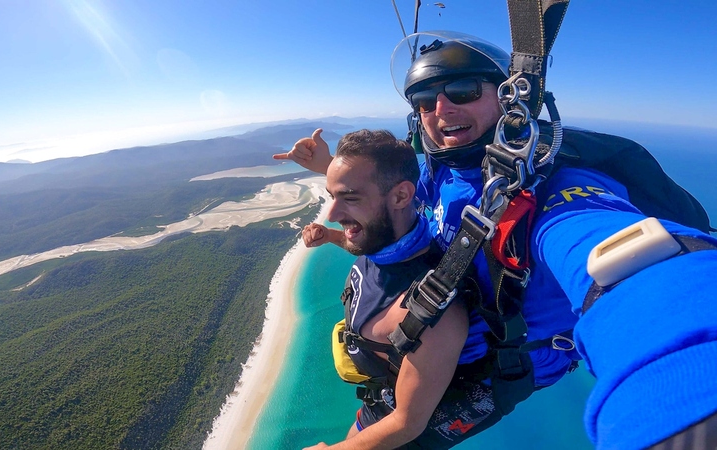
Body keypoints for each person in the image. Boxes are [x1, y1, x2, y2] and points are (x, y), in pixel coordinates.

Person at [276, 31, 717, 450]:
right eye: (425, 100)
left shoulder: (552, 193)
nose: (441, 109)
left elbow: (636, 270)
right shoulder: (443, 170)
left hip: (485, 373)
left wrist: (688, 404)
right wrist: (331, 168)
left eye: (464, 90)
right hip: (429, 347)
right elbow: (394, 192)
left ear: (510, 99)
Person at [295, 129, 579, 449]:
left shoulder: (433, 317)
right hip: (385, 389)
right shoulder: (390, 235)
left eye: (349, 198)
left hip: (415, 405)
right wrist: (332, 230)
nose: (332, 214)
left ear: (401, 197)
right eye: (333, 196)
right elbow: (374, 211)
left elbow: (406, 423)